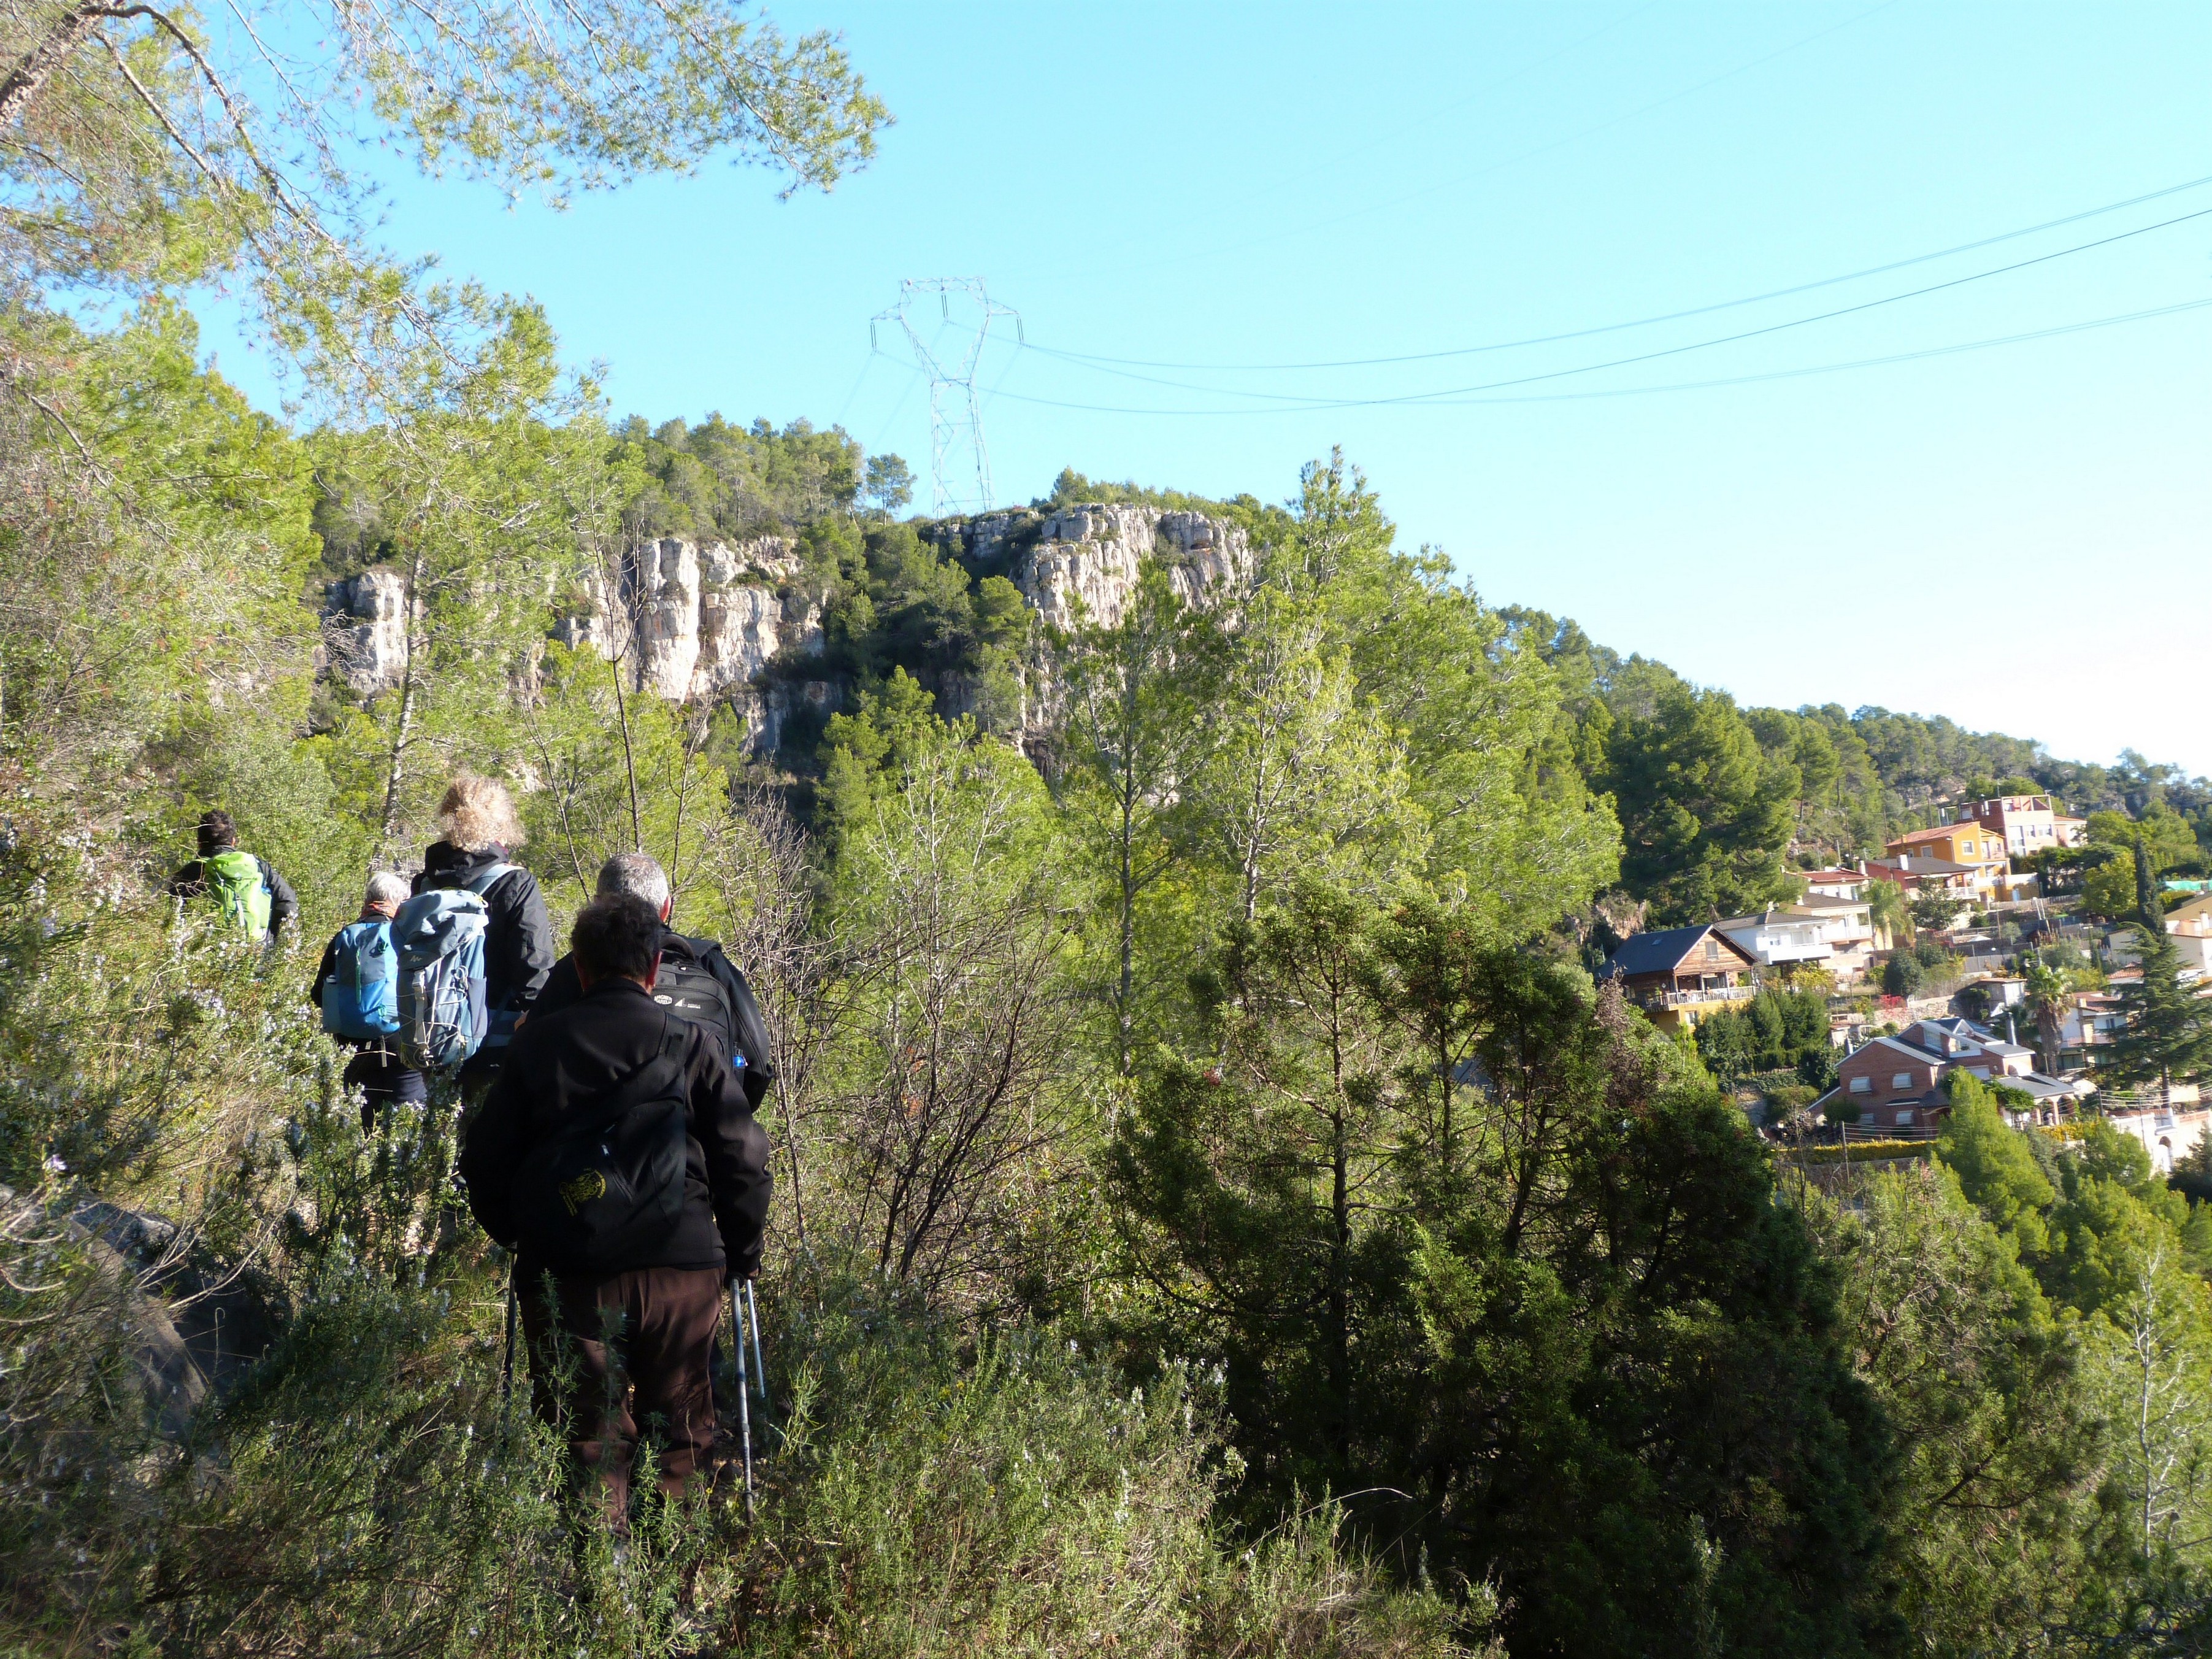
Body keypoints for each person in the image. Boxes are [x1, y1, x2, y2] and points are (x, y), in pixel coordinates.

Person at [459, 894, 772, 1522]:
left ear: (579, 967)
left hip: (568, 1273)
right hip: (681, 1271)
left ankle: (604, 1576)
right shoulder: (690, 1043)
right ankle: (671, 1577)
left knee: (586, 1443)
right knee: (681, 1438)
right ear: (654, 967)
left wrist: (523, 1235)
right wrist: (741, 1252)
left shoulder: (535, 1047)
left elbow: (483, 1164)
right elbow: (743, 1156)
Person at [528, 852, 777, 1113]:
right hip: (698, 1130)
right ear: (666, 907)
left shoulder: (577, 966)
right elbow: (758, 1062)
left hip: (591, 1131)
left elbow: (532, 1062)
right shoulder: (711, 963)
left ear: (599, 905)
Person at [413, 774, 555, 1087]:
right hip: (497, 1043)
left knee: (440, 1117)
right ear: (503, 822)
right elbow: (534, 971)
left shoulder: (424, 884)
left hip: (432, 1037)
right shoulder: (516, 883)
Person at [309, 871, 428, 1130]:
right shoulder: (404, 936)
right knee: (408, 1120)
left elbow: (318, 995)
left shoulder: (344, 936)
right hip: (400, 1041)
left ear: (368, 899)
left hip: (353, 1045)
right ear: (400, 902)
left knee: (367, 1122)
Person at [166, 810, 298, 945]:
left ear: (199, 842)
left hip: (210, 950)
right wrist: (272, 938)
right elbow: (287, 902)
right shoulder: (257, 866)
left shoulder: (188, 873)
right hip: (258, 945)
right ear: (233, 841)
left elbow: (175, 918)